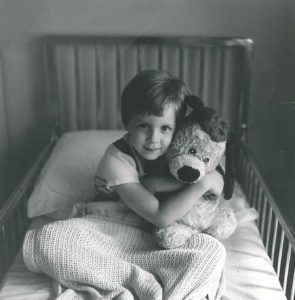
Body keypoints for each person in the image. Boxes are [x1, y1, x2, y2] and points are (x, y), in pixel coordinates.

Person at [94, 69, 224, 228]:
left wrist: (162, 184)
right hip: (115, 213)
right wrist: (203, 183)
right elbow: (159, 217)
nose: (153, 139)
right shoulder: (116, 161)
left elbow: (213, 174)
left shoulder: (177, 147)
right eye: (143, 126)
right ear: (127, 123)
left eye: (165, 128)